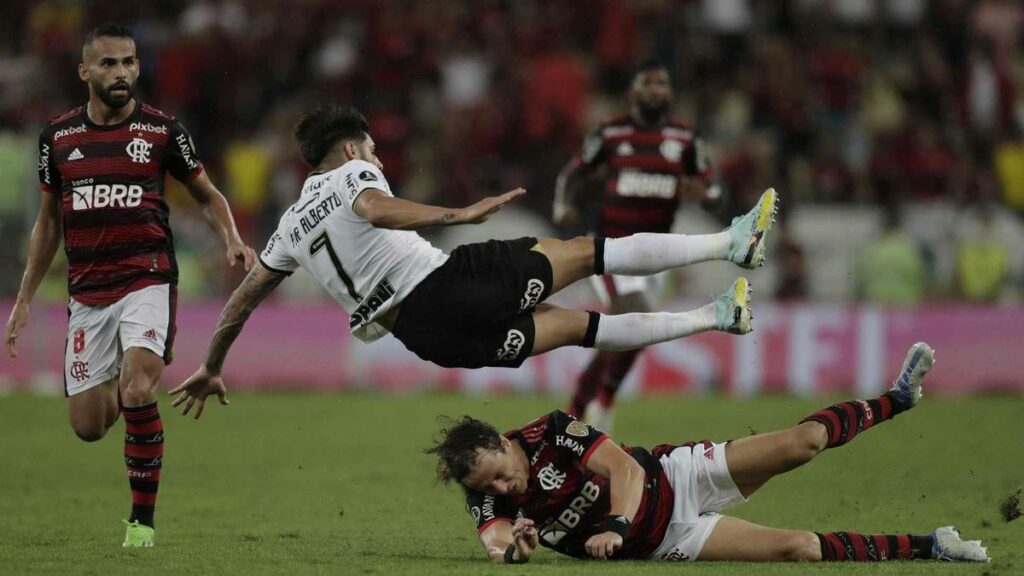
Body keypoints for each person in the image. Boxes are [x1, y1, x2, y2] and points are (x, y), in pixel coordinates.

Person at [168, 104, 778, 418]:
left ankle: (718, 316)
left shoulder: (288, 226)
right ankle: (730, 244)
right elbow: (377, 208)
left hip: (428, 337)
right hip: (447, 286)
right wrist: (458, 216)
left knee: (578, 329)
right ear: (352, 147)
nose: (375, 156)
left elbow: (243, 299)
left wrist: (213, 363)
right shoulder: (354, 170)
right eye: (372, 148)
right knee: (588, 253)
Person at [3, 23, 256, 547]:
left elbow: (208, 195)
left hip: (148, 276)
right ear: (85, 72)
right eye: (109, 64)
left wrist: (230, 238)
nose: (122, 73)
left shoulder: (163, 132)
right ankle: (119, 383)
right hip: (88, 292)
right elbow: (49, 221)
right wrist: (24, 298)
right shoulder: (59, 138)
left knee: (140, 387)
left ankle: (140, 525)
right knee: (89, 427)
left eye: (129, 62)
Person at [426, 342, 990, 564]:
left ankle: (896, 399)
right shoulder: (484, 499)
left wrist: (618, 523)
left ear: (503, 443)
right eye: (488, 490)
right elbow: (496, 546)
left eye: (499, 476)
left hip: (677, 477)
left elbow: (621, 466)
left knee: (805, 443)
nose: (501, 491)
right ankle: (931, 546)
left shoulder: (551, 431)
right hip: (671, 539)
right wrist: (518, 551)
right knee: (799, 549)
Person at [553, 59, 721, 432]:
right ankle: (604, 406)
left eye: (663, 82)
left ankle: (577, 408)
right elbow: (573, 171)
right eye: (650, 82)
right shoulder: (611, 132)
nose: (657, 89)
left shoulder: (686, 138)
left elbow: (713, 190)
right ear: (633, 91)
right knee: (637, 317)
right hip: (610, 252)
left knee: (627, 333)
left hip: (657, 257)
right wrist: (562, 206)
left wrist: (706, 195)